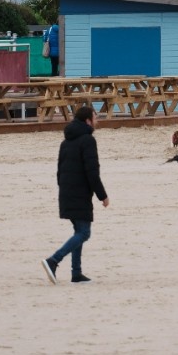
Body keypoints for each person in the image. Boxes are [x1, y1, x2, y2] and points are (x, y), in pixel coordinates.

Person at [42, 105, 109, 285]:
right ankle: (53, 260)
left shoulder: (66, 142)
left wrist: (64, 190)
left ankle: (76, 273)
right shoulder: (88, 140)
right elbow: (92, 171)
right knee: (84, 233)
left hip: (67, 192)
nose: (97, 121)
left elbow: (59, 170)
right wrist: (102, 195)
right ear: (88, 120)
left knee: (78, 231)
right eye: (95, 117)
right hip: (79, 193)